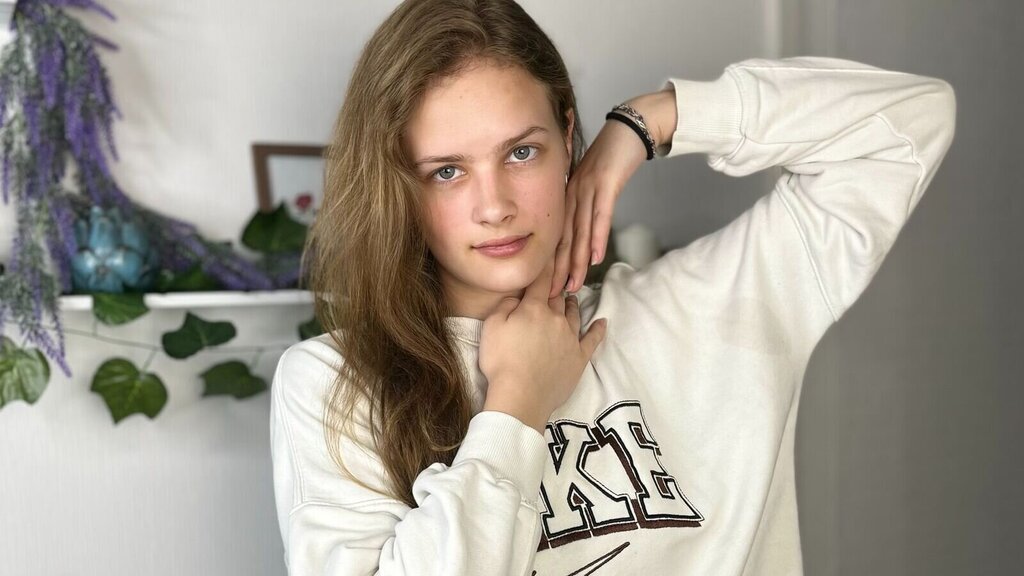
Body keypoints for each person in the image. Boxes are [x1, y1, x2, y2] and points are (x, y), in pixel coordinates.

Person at [269, 0, 957, 573]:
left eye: (521, 152)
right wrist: (515, 406)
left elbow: (910, 124)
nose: (495, 205)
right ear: (397, 184)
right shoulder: (333, 385)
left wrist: (648, 123)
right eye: (447, 171)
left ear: (569, 136)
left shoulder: (711, 305)